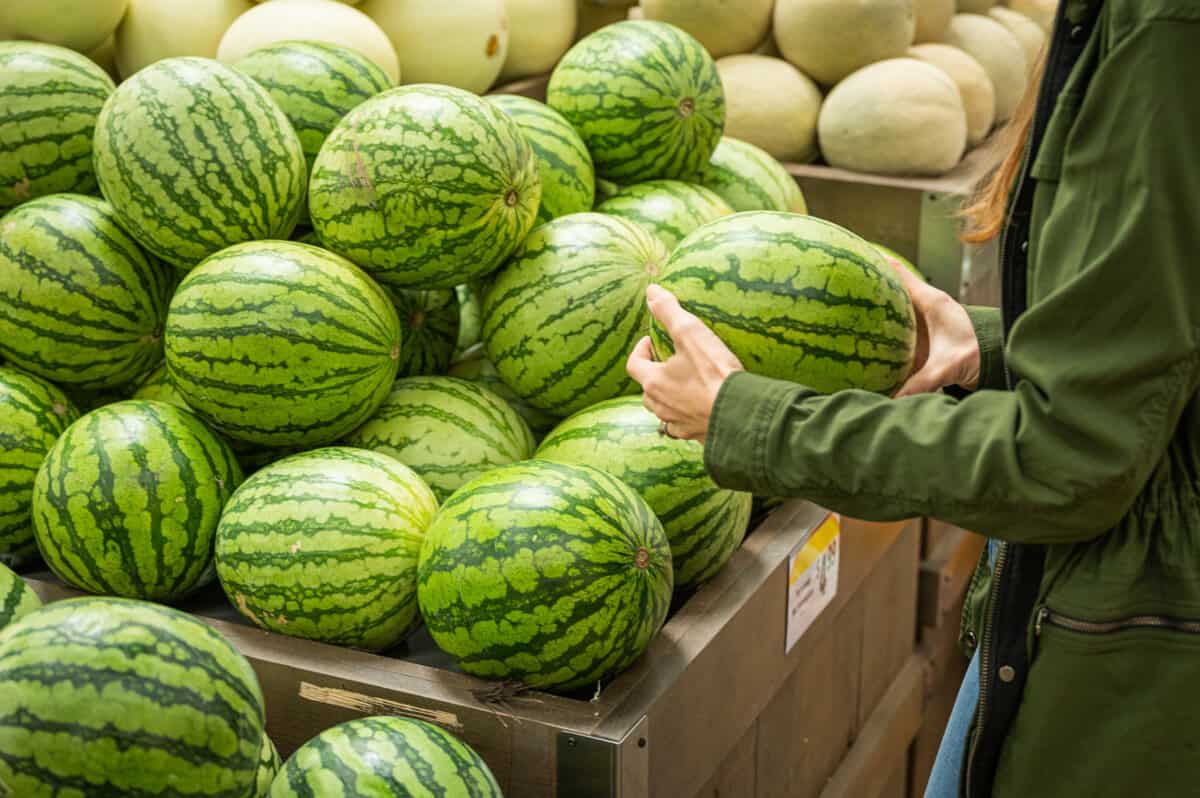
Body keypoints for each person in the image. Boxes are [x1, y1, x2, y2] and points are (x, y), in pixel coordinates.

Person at [626, 2, 1200, 796]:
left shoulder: (1166, 33)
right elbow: (1161, 341)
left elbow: (1069, 459)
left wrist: (752, 422)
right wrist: (992, 349)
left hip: (1140, 648)